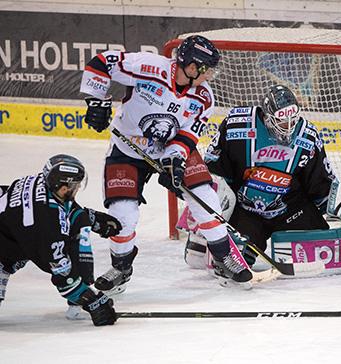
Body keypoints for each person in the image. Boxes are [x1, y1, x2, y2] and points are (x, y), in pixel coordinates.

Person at [79, 35, 252, 293]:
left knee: (205, 196)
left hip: (169, 149)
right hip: (127, 148)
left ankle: (223, 257)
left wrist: (174, 159)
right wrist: (95, 100)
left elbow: (187, 136)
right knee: (123, 215)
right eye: (208, 70)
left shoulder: (204, 97)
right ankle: (121, 267)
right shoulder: (148, 67)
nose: (210, 76)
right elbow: (102, 62)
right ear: (192, 68)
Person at [186, 84, 337, 266]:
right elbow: (213, 169)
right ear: (267, 117)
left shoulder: (307, 136)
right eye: (282, 121)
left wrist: (328, 207)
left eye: (293, 120)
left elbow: (319, 178)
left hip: (290, 208)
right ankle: (202, 239)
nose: (288, 127)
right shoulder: (237, 125)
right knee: (237, 257)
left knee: (324, 248)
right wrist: (208, 215)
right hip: (246, 211)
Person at [0, 154, 122, 326]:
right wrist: (90, 300)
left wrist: (87, 218)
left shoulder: (40, 182)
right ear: (63, 188)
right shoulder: (46, 226)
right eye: (76, 185)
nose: (77, 188)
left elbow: (59, 209)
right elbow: (63, 275)